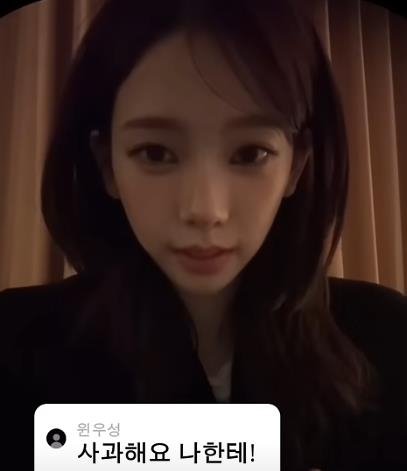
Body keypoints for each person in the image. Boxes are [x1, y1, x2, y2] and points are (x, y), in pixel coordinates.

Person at [0, 0, 406, 470]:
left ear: (296, 165)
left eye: (250, 153)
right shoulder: (15, 347)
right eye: (155, 153)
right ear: (107, 164)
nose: (205, 211)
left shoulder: (385, 340)